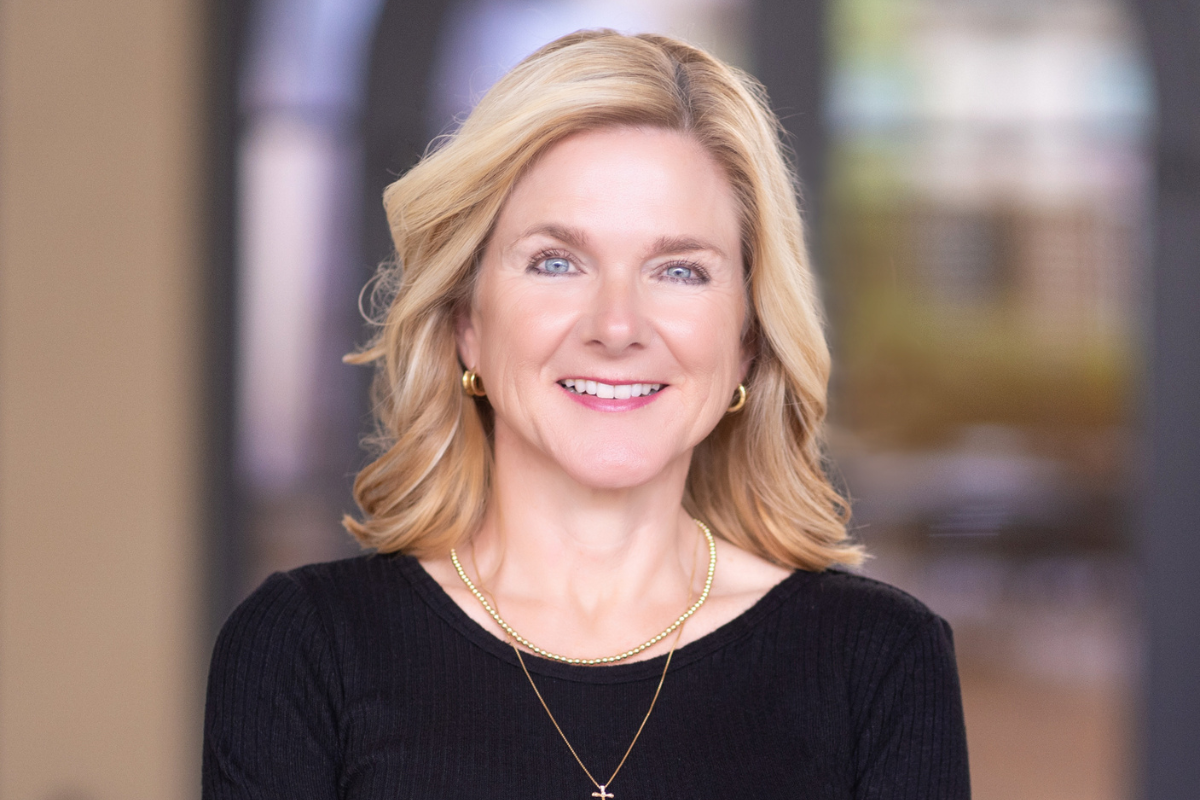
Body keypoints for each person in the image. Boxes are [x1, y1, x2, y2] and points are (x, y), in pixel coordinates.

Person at [203, 29, 969, 799]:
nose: (616, 325)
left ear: (746, 340)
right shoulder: (304, 650)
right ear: (466, 319)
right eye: (556, 262)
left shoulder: (878, 662)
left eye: (679, 270)